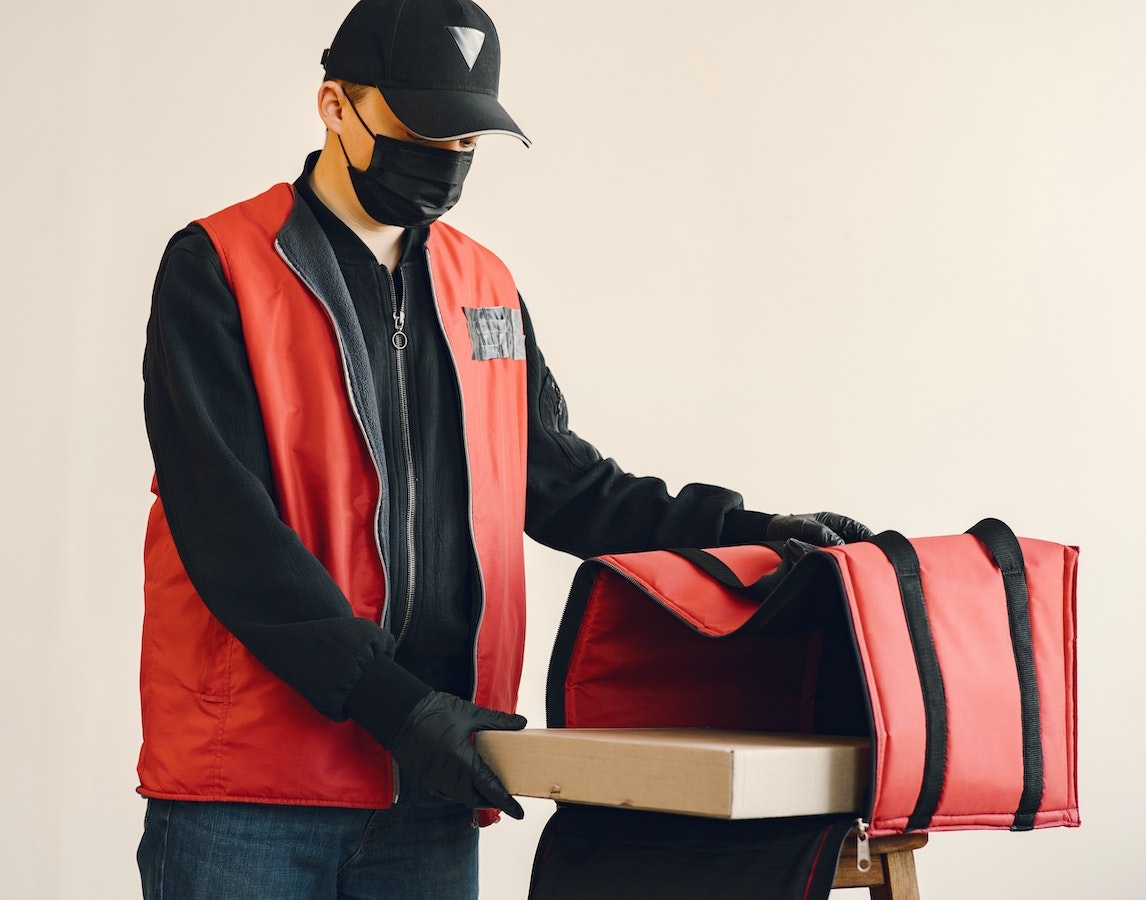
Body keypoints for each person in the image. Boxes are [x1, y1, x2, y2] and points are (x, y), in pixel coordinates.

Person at [135, 0, 874, 896]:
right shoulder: (219, 265)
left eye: (465, 140)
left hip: (436, 785)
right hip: (254, 791)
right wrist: (398, 707)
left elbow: (562, 485)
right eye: (423, 130)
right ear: (335, 105)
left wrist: (746, 532)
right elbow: (228, 530)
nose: (446, 158)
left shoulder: (482, 285)